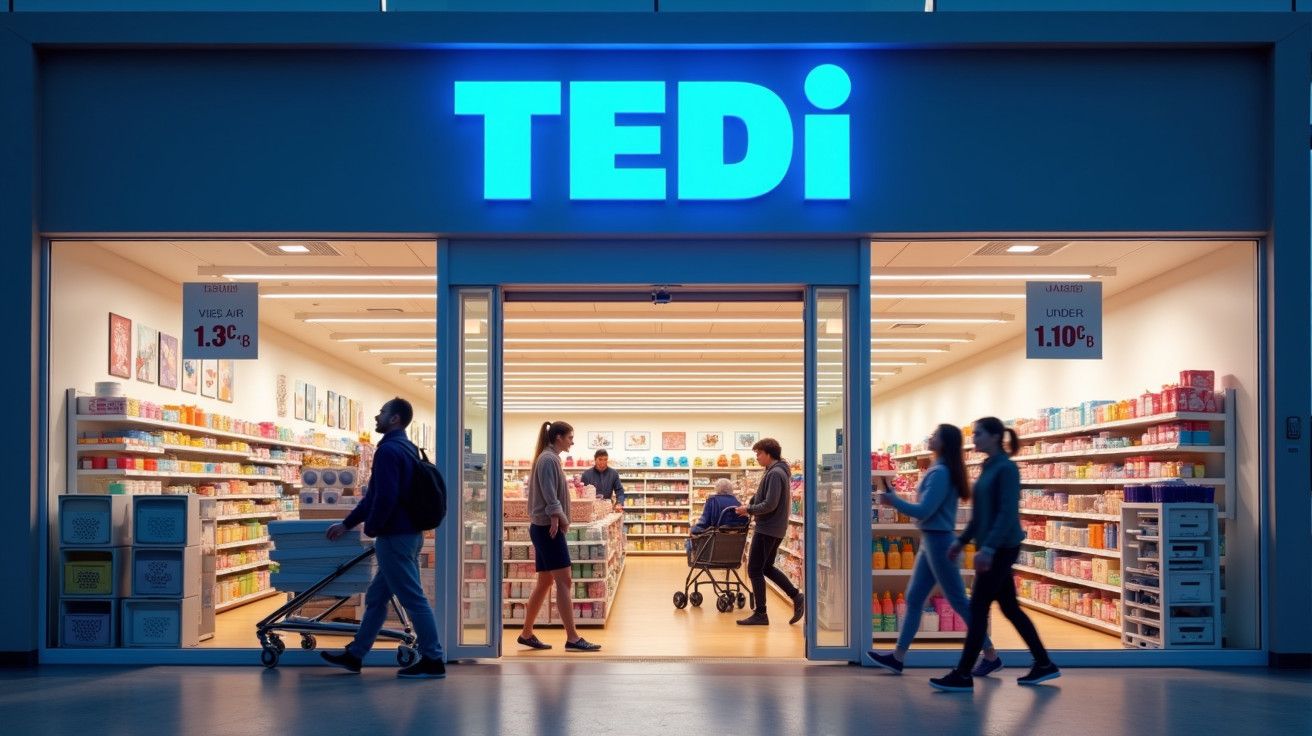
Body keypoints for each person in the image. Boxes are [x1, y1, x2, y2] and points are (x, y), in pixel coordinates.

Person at [930, 417, 1061, 692]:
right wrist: (962, 541)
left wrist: (988, 549)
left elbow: (1006, 512)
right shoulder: (988, 466)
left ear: (993, 436)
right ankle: (1044, 663)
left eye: (978, 434)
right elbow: (981, 514)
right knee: (1010, 608)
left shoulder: (1007, 469)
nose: (974, 438)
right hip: (990, 546)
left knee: (978, 609)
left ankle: (963, 674)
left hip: (1002, 547)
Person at [321, 398, 445, 679]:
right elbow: (376, 495)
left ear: (395, 419)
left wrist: (373, 527)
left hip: (395, 536)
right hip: (409, 533)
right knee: (377, 597)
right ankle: (356, 654)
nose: (377, 417)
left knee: (414, 599)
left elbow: (384, 497)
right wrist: (348, 523)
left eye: (382, 413)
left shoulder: (389, 451)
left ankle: (433, 658)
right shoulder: (408, 448)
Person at [867, 424, 1001, 676]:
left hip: (940, 544)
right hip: (931, 543)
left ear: (944, 443)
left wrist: (892, 500)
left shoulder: (940, 473)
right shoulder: (940, 470)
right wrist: (893, 495)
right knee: (915, 599)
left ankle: (991, 654)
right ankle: (898, 656)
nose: (930, 437)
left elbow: (923, 511)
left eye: (935, 435)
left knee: (959, 602)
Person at [515, 420, 602, 652]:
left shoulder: (549, 458)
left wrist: (555, 515)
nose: (572, 441)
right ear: (558, 437)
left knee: (545, 582)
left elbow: (549, 491)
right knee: (565, 581)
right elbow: (549, 492)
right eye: (570, 437)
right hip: (547, 530)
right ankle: (572, 638)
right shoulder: (548, 459)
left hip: (544, 527)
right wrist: (558, 516)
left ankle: (526, 633)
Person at [734, 438, 804, 626]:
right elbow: (762, 498)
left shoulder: (775, 474)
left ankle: (761, 614)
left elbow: (770, 504)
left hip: (768, 528)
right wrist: (748, 506)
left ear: (768, 454)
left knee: (754, 569)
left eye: (758, 453)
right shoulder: (773, 471)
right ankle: (796, 596)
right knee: (766, 567)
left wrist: (749, 510)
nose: (756, 457)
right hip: (774, 527)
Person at [685, 478, 748, 553]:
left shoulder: (712, 500)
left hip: (715, 540)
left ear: (717, 488)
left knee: (690, 536)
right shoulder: (737, 502)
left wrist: (693, 529)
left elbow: (704, 522)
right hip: (733, 545)